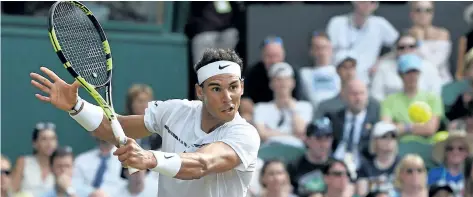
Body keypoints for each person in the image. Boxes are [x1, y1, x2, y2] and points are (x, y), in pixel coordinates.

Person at [29, 48, 261, 197]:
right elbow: (113, 127)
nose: (227, 97)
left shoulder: (244, 134)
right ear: (199, 91)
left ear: (242, 87)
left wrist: (149, 158)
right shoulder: (175, 112)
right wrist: (76, 105)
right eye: (216, 89)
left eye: (233, 87)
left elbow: (201, 164)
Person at [11, 122, 57, 197]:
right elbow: (12, 191)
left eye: (53, 139)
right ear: (34, 143)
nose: (49, 143)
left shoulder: (60, 165)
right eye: (44, 139)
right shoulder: (23, 162)